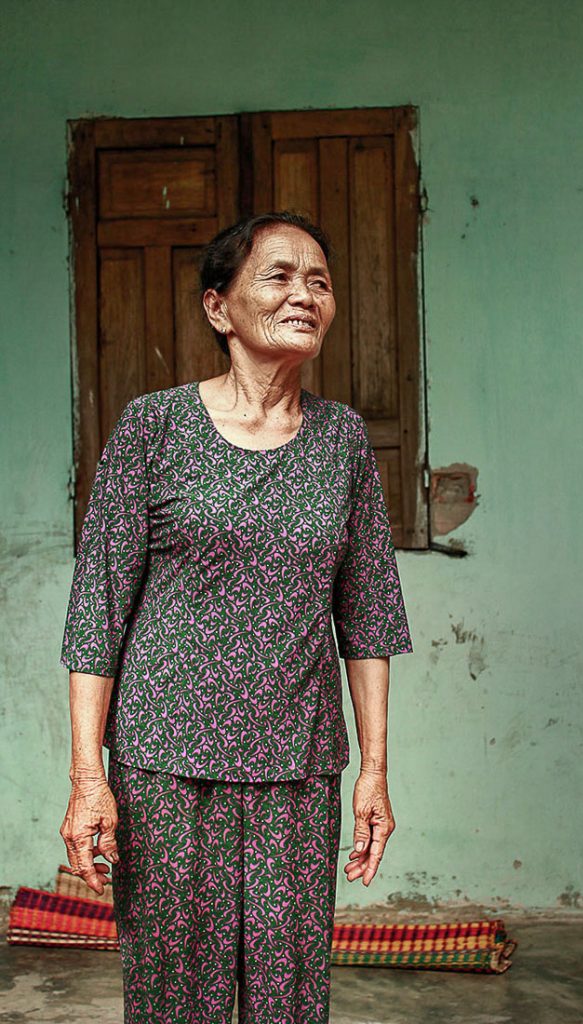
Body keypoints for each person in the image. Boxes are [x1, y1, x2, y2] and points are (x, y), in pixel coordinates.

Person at [59, 210, 413, 1023]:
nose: (305, 295)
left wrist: (375, 771)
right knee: (175, 997)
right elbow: (96, 614)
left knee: (291, 999)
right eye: (280, 277)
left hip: (298, 763)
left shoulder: (343, 439)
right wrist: (88, 780)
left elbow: (368, 616)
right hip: (166, 765)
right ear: (219, 308)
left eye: (320, 282)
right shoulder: (153, 428)